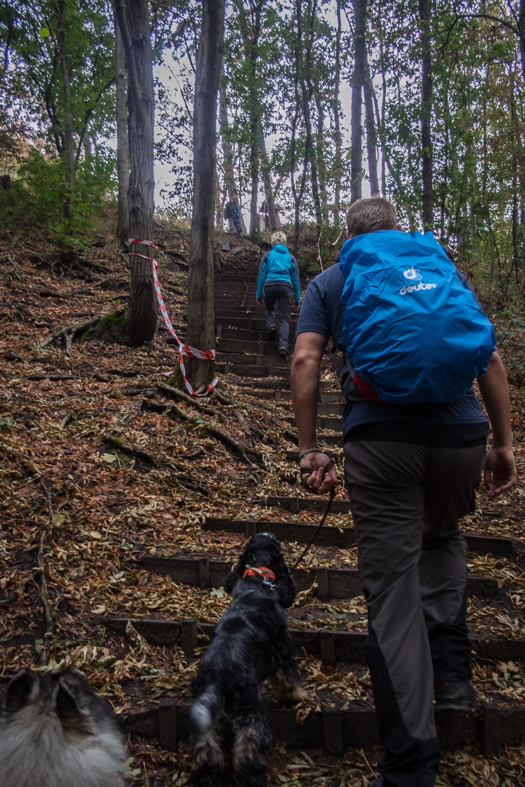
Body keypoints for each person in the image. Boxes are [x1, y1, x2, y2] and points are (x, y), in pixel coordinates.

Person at [291, 197, 516, 787]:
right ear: (398, 229)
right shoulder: (437, 265)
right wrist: (504, 444)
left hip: (381, 437)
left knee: (392, 593)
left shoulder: (334, 279)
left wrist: (310, 447)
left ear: (349, 234)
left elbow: (305, 360)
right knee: (442, 537)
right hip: (462, 434)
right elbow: (487, 353)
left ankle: (411, 764)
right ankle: (450, 674)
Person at [256, 231, 301, 359]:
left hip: (269, 285)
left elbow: (261, 276)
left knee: (269, 308)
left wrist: (258, 294)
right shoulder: (290, 257)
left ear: (272, 242)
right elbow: (296, 279)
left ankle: (271, 325)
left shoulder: (267, 256)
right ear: (285, 242)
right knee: (284, 319)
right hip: (286, 287)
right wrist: (297, 298)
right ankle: (283, 347)